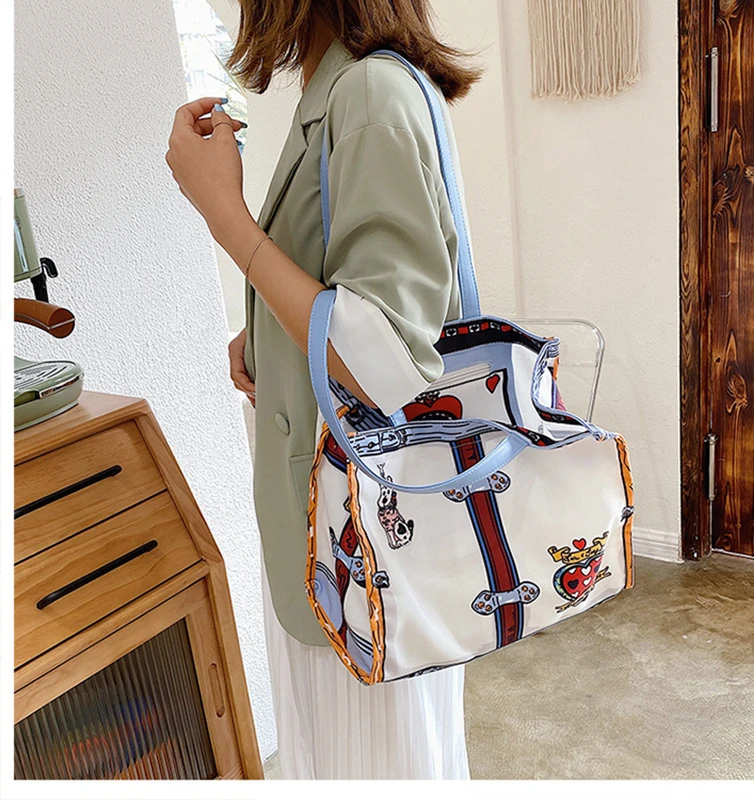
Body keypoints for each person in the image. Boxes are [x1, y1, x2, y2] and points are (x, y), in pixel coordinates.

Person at [164, 0, 480, 780]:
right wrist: (268, 333)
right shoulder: (348, 88)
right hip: (342, 543)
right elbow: (351, 292)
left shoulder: (367, 94)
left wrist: (225, 216)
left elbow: (382, 361)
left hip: (356, 548)